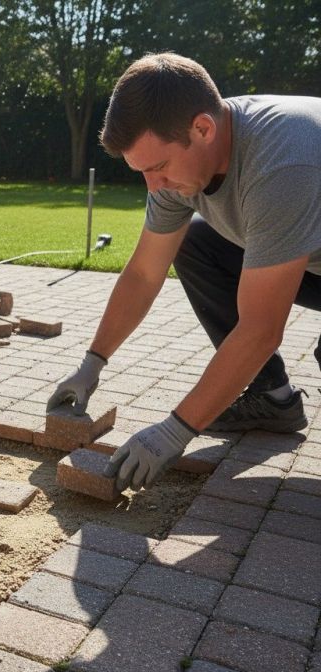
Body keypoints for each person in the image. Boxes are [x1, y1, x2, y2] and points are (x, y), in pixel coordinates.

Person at [47, 52, 321, 493]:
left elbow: (261, 329)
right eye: (141, 172)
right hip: (312, 251)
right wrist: (91, 363)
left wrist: (177, 429)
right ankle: (273, 399)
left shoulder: (282, 161)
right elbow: (143, 274)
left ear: (203, 129)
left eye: (157, 168)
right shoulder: (184, 156)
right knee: (194, 242)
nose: (153, 187)